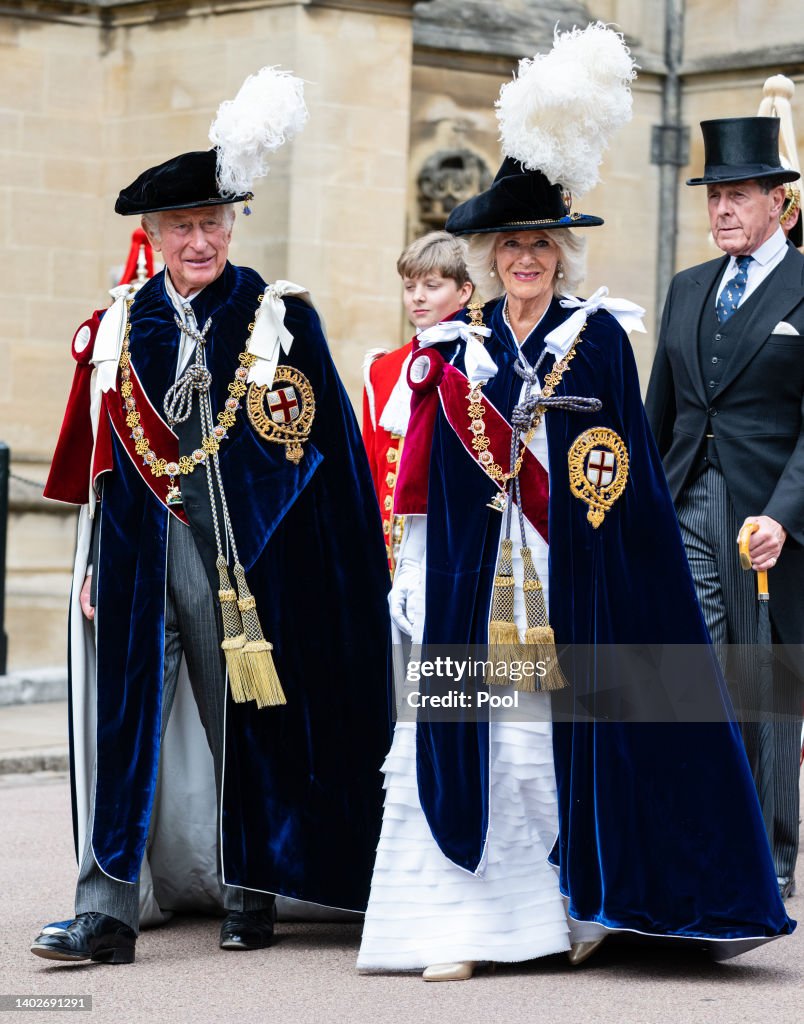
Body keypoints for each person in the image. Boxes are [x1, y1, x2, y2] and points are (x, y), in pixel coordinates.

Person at [357, 24, 793, 982]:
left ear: (561, 255)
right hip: (474, 582)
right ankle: (466, 928)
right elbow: (427, 477)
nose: (525, 261)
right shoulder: (451, 353)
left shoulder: (596, 341)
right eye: (509, 246)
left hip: (568, 575)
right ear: (487, 257)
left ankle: (570, 911)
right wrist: (419, 574)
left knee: (561, 746)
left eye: (540, 247)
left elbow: (618, 470)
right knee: (476, 740)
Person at [33, 69, 391, 964]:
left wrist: (317, 567)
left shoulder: (275, 317)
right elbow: (109, 455)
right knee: (124, 728)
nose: (198, 240)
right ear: (151, 237)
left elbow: (324, 452)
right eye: (179, 227)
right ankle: (106, 910)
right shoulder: (125, 324)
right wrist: (88, 561)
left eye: (211, 223)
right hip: (132, 550)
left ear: (232, 226)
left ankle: (251, 890)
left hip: (237, 562)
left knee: (243, 723)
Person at [645, 115, 804, 902]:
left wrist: (785, 514)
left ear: (782, 202)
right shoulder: (684, 288)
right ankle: (704, 835)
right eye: (713, 197)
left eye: (738, 195)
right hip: (685, 506)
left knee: (765, 687)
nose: (721, 211)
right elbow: (660, 414)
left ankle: (772, 858)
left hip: (766, 521)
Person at [362, 231, 472, 574]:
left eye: (432, 286)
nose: (418, 298)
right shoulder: (382, 369)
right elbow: (371, 465)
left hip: (451, 544)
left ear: (464, 291)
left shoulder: (479, 363)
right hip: (389, 551)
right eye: (410, 287)